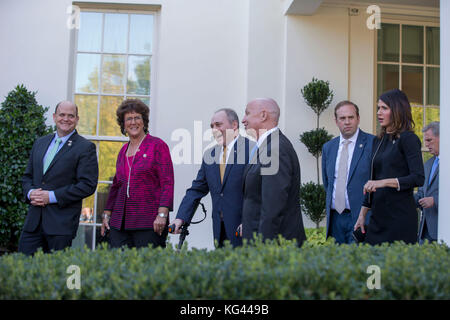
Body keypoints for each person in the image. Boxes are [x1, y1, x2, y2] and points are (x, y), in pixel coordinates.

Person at [19, 101, 99, 255]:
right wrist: (30, 193)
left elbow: (87, 185)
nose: (66, 119)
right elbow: (27, 177)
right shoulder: (40, 143)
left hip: (61, 226)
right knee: (23, 270)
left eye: (71, 116)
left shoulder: (85, 147)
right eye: (62, 115)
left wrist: (51, 196)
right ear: (55, 117)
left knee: (55, 275)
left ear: (77, 119)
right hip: (33, 224)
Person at [170, 108, 253, 248]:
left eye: (218, 124)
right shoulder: (210, 154)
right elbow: (196, 189)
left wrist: (250, 220)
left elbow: (259, 191)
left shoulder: (252, 149)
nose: (214, 129)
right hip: (219, 230)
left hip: (244, 229)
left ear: (234, 125)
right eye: (212, 126)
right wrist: (181, 218)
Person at [354, 89, 425, 245]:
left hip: (400, 218)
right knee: (374, 267)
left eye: (384, 108)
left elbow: (418, 177)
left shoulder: (409, 139)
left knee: (396, 268)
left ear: (398, 110)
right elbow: (372, 180)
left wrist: (383, 182)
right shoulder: (377, 141)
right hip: (378, 218)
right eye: (378, 108)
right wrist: (362, 215)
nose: (379, 112)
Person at [101, 99, 174, 249]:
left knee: (146, 269)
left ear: (144, 121)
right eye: (129, 119)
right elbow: (116, 185)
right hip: (120, 223)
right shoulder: (122, 151)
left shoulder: (157, 145)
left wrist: (162, 215)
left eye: (137, 118)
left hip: (149, 222)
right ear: (123, 124)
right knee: (118, 268)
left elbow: (167, 182)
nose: (133, 122)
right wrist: (107, 214)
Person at [240, 98, 306, 246]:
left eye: (247, 113)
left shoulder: (275, 149)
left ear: (263, 115)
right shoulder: (267, 146)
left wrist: (264, 249)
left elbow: (273, 207)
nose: (243, 120)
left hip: (274, 247)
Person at [322, 101, 374, 244]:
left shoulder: (373, 143)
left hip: (361, 218)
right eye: (342, 118)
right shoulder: (328, 147)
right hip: (335, 219)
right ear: (336, 121)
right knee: (337, 263)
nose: (347, 122)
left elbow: (376, 180)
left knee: (359, 263)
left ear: (358, 118)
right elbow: (327, 182)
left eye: (351, 117)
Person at [414, 122, 440, 244]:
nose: (426, 144)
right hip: (424, 231)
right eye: (425, 140)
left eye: (429, 140)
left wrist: (435, 200)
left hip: (442, 228)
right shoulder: (428, 164)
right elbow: (421, 194)